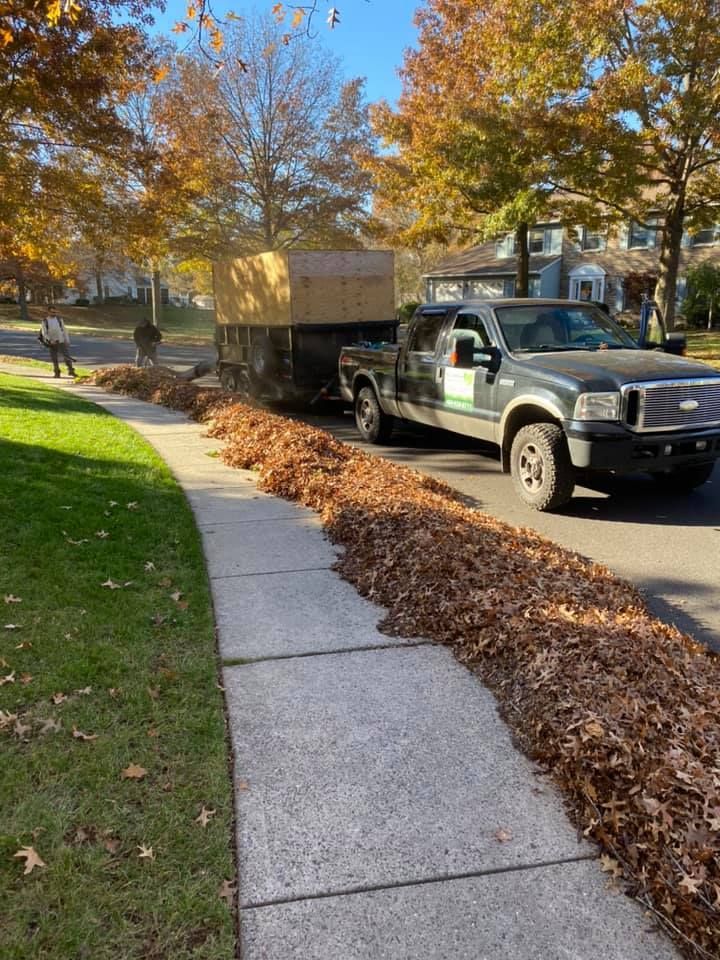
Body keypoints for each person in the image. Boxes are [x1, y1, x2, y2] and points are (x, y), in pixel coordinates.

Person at [38, 310, 76, 378]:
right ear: (48, 312)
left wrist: (67, 340)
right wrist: (50, 340)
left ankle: (71, 371)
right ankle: (57, 373)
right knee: (54, 358)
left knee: (67, 357)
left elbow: (64, 330)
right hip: (52, 342)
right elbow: (44, 333)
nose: (54, 313)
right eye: (52, 312)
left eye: (55, 312)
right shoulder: (45, 321)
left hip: (61, 340)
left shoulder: (59, 320)